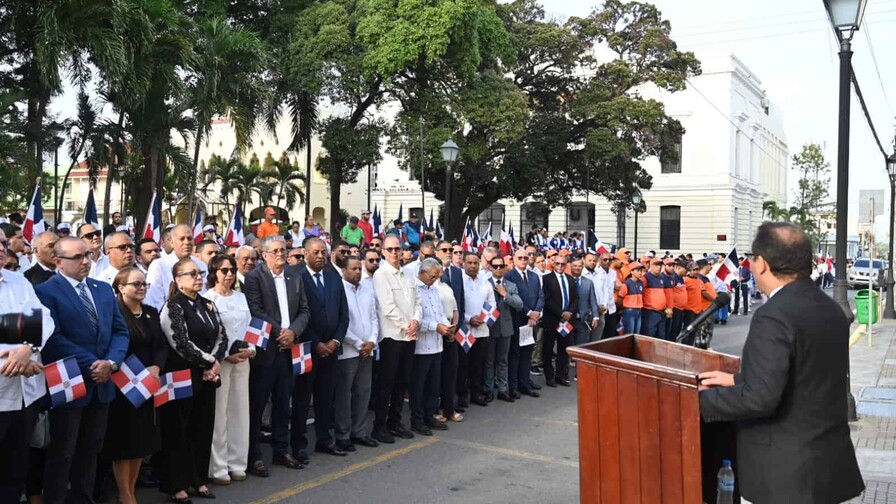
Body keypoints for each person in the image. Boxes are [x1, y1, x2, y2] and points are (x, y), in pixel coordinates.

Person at [698, 222, 864, 504]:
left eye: (751, 258)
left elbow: (760, 399)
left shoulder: (774, 315)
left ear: (761, 263)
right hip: (825, 466)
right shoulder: (829, 307)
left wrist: (692, 400)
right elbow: (805, 376)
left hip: (784, 476)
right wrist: (737, 380)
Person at [36, 236, 130, 504]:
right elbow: (52, 338)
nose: (85, 261)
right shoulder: (45, 292)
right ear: (58, 262)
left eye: (87, 255)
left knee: (91, 450)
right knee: (62, 453)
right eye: (77, 257)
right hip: (69, 382)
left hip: (102, 383)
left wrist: (110, 363)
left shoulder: (102, 289)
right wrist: (93, 363)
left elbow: (119, 332)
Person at [158, 258, 229, 503]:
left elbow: (221, 335)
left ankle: (198, 479)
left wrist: (216, 362)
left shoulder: (208, 304)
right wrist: (209, 362)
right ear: (178, 280)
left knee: (202, 427)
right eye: (191, 274)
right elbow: (180, 341)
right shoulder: (173, 306)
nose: (197, 277)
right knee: (179, 430)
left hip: (207, 376)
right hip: (182, 375)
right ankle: (176, 484)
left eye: (199, 273)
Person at [244, 236, 310, 475]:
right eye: (276, 251)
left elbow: (304, 309)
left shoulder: (295, 276)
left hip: (289, 349)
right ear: (264, 255)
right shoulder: (254, 278)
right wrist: (280, 332)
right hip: (265, 351)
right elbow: (256, 310)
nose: (281, 253)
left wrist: (293, 332)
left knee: (284, 403)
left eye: (284, 249)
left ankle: (281, 450)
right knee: (257, 405)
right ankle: (254, 456)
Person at [0, 229, 54, 503]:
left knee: (14, 473)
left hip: (24, 397)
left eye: (2, 242)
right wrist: (17, 359)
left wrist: (28, 350)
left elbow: (43, 319)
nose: (1, 248)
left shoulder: (18, 282)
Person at [106, 267, 167, 504]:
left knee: (142, 441)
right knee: (124, 442)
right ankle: (124, 493)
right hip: (122, 385)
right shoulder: (115, 314)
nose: (141, 288)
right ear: (121, 287)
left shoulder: (151, 312)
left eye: (144, 284)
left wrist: (156, 367)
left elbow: (161, 346)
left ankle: (131, 489)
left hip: (146, 385)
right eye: (136, 284)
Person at [295, 237, 349, 457]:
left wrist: (335, 341)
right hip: (307, 348)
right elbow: (298, 314)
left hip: (331, 348)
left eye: (323, 253)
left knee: (326, 397)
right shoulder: (296, 277)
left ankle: (324, 440)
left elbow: (344, 314)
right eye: (315, 252)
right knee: (302, 397)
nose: (320, 256)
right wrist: (317, 343)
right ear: (305, 253)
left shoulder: (334, 277)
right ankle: (298, 444)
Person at [204, 254, 255, 486]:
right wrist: (224, 355)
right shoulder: (208, 299)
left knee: (239, 412)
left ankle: (237, 462)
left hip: (243, 361)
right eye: (224, 270)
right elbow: (208, 334)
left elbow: (250, 327)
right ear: (214, 273)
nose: (229, 274)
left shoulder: (241, 297)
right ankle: (218, 465)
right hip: (220, 362)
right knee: (219, 414)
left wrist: (250, 349)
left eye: (232, 270)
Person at [371, 234, 421, 444]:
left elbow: (418, 301)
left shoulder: (408, 275)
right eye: (390, 249)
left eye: (397, 249)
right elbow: (387, 306)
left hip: (409, 337)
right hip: (392, 336)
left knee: (402, 381)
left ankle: (395, 422)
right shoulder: (381, 275)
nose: (394, 252)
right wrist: (406, 325)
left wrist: (416, 320)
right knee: (387, 383)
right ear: (383, 251)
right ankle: (379, 426)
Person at [335, 256, 380, 451]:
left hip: (367, 349)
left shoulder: (367, 290)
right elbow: (341, 323)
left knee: (363, 392)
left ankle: (360, 432)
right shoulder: (338, 291)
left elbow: (374, 318)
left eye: (359, 269)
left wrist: (371, 341)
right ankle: (343, 435)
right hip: (348, 350)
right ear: (343, 270)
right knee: (344, 395)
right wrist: (359, 343)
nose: (357, 272)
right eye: (353, 269)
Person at [409, 258, 453, 435]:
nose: (435, 280)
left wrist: (447, 327)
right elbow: (416, 318)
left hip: (437, 344)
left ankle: (430, 415)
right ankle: (417, 420)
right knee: (419, 386)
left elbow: (440, 313)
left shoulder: (434, 290)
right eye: (433, 276)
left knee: (434, 385)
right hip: (421, 345)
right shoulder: (413, 289)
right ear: (423, 273)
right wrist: (436, 326)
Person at [505, 249, 544, 398]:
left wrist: (535, 313)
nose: (523, 260)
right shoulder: (509, 276)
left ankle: (525, 383)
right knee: (515, 354)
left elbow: (541, 296)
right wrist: (529, 313)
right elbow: (514, 300)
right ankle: (513, 386)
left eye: (525, 258)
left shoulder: (534, 276)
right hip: (518, 320)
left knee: (527, 353)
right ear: (514, 259)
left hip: (532, 322)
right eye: (520, 257)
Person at [484, 256, 523, 402]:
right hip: (489, 327)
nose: (499, 269)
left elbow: (519, 304)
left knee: (503, 360)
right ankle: (488, 389)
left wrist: (505, 294)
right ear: (490, 267)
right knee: (489, 360)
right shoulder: (485, 283)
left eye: (501, 266)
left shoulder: (510, 285)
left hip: (506, 327)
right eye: (495, 266)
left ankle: (502, 389)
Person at [460, 252, 496, 406]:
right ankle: (462, 395)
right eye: (470, 262)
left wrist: (482, 319)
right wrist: (469, 318)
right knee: (463, 365)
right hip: (464, 330)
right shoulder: (459, 280)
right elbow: (456, 304)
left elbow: (492, 304)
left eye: (476, 263)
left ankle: (476, 393)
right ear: (463, 263)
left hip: (482, 329)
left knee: (478, 364)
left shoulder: (485, 282)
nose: (473, 266)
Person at [146, 224, 209, 310]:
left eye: (189, 238)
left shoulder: (201, 265)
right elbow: (155, 301)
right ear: (172, 242)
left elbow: (204, 294)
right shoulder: (158, 266)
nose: (187, 242)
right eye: (182, 239)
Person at [437, 241, 465, 423]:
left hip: (453, 331)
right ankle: (436, 407)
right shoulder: (430, 279)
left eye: (451, 250)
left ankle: (449, 407)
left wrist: (456, 326)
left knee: (452, 370)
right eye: (445, 250)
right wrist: (443, 329)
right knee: (436, 372)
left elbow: (459, 302)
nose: (449, 253)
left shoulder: (455, 274)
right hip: (436, 332)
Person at [540, 253, 577, 387]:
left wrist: (569, 313)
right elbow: (547, 300)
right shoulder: (546, 279)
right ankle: (549, 376)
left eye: (563, 264)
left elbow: (575, 298)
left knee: (564, 349)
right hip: (552, 319)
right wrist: (561, 313)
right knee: (548, 349)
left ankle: (561, 376)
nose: (560, 266)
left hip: (567, 321)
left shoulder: (571, 279)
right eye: (558, 263)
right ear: (553, 264)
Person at [569, 256, 599, 347]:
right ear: (570, 266)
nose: (577, 268)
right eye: (575, 266)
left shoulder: (588, 282)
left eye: (579, 266)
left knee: (581, 345)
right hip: (568, 319)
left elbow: (593, 300)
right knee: (568, 345)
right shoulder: (566, 280)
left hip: (583, 320)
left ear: (582, 267)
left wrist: (596, 317)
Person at [618, 261, 644, 334]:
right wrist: (624, 309)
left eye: (641, 271)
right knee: (629, 333)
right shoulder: (627, 284)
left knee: (637, 333)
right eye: (638, 270)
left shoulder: (641, 282)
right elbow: (620, 299)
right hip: (629, 310)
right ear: (632, 271)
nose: (640, 272)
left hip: (638, 309)